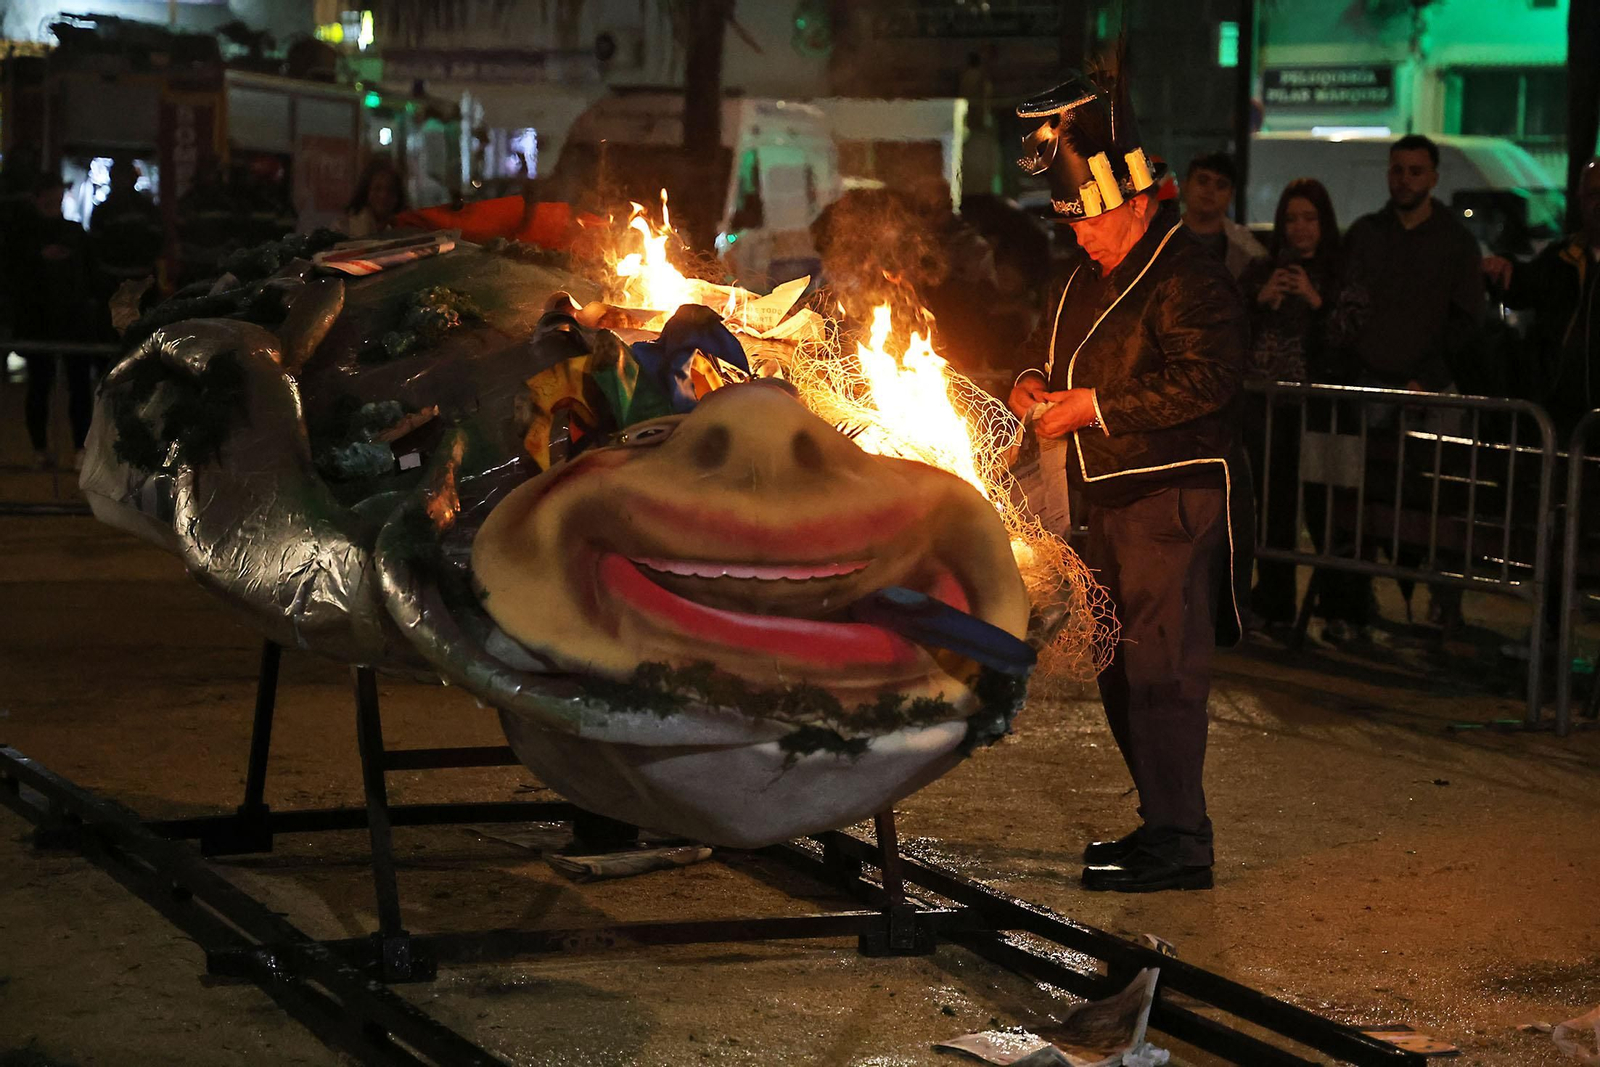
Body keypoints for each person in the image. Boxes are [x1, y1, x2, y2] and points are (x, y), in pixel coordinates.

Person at [1008, 62, 1251, 893]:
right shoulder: (1084, 276)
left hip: (1171, 501)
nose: (1082, 236)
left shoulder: (1191, 275)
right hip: (1106, 499)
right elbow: (1044, 353)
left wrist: (1095, 407)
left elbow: (1208, 379)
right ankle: (1161, 825)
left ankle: (1182, 841)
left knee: (1163, 674)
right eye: (1072, 222)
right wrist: (1030, 385)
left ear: (1141, 203)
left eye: (1094, 220)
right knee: (1120, 671)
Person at [1335, 134, 1486, 635]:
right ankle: (1355, 606)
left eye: (1415, 171)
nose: (1404, 180)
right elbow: (1348, 304)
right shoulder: (1366, 233)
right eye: (1397, 169)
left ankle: (1444, 607)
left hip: (1430, 392)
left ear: (1434, 177)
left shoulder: (1455, 242)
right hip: (1370, 383)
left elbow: (1466, 320)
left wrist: (1429, 377)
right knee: (1360, 505)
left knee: (1439, 503)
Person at [1238, 179, 1343, 630]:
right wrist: (1259, 298)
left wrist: (1317, 301)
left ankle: (1338, 604)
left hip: (1320, 409)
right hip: (1266, 406)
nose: (1300, 228)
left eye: (1310, 218)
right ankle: (1274, 598)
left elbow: (1349, 336)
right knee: (1271, 504)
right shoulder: (1261, 269)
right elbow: (1229, 323)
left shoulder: (1339, 273)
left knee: (1324, 510)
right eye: (1291, 219)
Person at [1483, 156, 1600, 441]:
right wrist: (1503, 269)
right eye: (1594, 194)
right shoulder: (1562, 258)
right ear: (1580, 199)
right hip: (1560, 416)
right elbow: (1523, 286)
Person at [16, 173, 97, 469]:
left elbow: (89, 272)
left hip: (70, 318)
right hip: (41, 318)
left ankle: (76, 448)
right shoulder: (24, 235)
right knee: (42, 385)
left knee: (76, 386)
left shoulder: (71, 232)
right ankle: (43, 448)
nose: (53, 202)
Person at [1180, 152, 1266, 280]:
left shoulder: (1246, 251)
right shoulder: (1159, 236)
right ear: (1185, 185)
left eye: (1221, 185)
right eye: (1203, 181)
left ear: (1231, 196)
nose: (1210, 190)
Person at [343, 155, 407, 237]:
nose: (383, 195)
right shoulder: (347, 226)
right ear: (366, 191)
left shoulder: (405, 225)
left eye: (391, 190)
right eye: (377, 189)